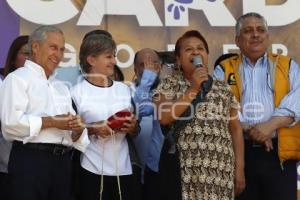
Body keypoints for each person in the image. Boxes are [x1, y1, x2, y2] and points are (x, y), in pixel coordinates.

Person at [214, 12, 300, 200]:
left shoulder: (288, 65)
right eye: (248, 31)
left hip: (279, 155)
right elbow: (222, 105)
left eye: (260, 30)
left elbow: (298, 100)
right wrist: (251, 129)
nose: (255, 34)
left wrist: (269, 127)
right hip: (239, 154)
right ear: (237, 40)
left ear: (267, 37)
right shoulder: (223, 69)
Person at [0, 25, 89, 200]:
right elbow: (10, 125)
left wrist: (77, 129)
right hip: (31, 162)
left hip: (62, 164)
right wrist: (53, 122)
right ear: (35, 47)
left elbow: (73, 134)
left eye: (62, 49)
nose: (59, 55)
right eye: (53, 47)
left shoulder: (61, 87)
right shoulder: (17, 79)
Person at [154, 30, 245, 200]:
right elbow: (165, 117)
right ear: (179, 60)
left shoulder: (223, 88)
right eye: (188, 49)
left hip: (220, 171)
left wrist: (239, 169)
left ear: (207, 55)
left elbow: (235, 129)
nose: (196, 52)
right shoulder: (168, 84)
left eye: (200, 48)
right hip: (184, 170)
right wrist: (194, 88)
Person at [71, 34, 141, 200]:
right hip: (90, 169)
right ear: (91, 60)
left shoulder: (125, 90)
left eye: (114, 56)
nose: (114, 61)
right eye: (108, 56)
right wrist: (93, 128)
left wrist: (132, 127)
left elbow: (136, 130)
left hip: (124, 169)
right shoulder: (75, 92)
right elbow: (69, 136)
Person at [131, 48, 165, 200]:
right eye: (143, 65)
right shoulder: (127, 92)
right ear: (135, 69)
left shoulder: (169, 93)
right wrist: (147, 80)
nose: (148, 70)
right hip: (133, 172)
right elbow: (137, 109)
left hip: (159, 172)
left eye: (153, 65)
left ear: (161, 67)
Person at [0, 34, 29, 200]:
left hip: (33, 169)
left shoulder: (51, 86)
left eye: (33, 54)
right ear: (12, 59)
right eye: (25, 53)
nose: (30, 59)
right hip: (6, 166)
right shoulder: (3, 83)